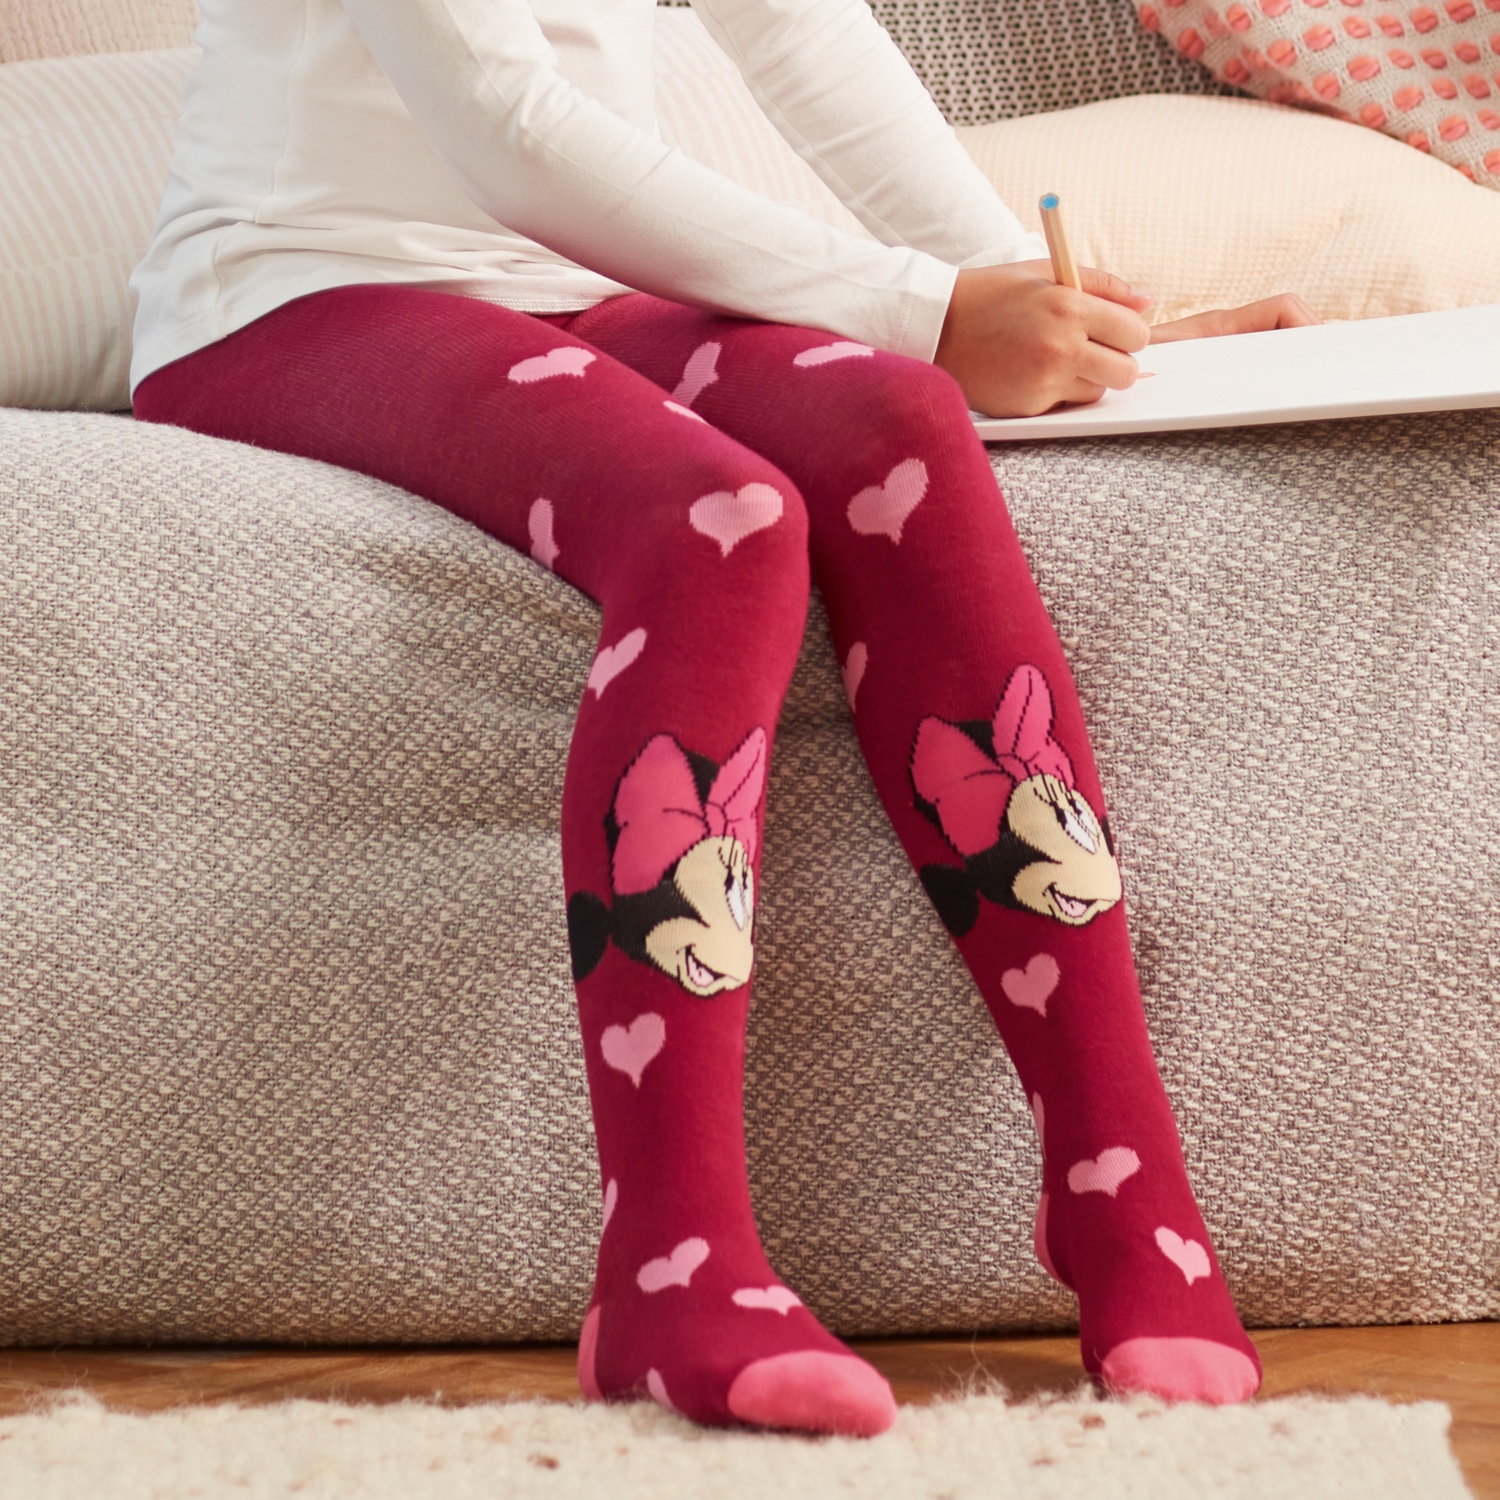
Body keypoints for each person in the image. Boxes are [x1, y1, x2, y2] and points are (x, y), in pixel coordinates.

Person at [130, 0, 1316, 1438]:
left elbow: (801, 35)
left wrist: (1029, 302)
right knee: (722, 520)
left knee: (901, 426)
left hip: (577, 293)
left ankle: (1121, 1188)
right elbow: (509, 126)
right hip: (295, 297)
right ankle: (666, 1264)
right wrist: (933, 310)